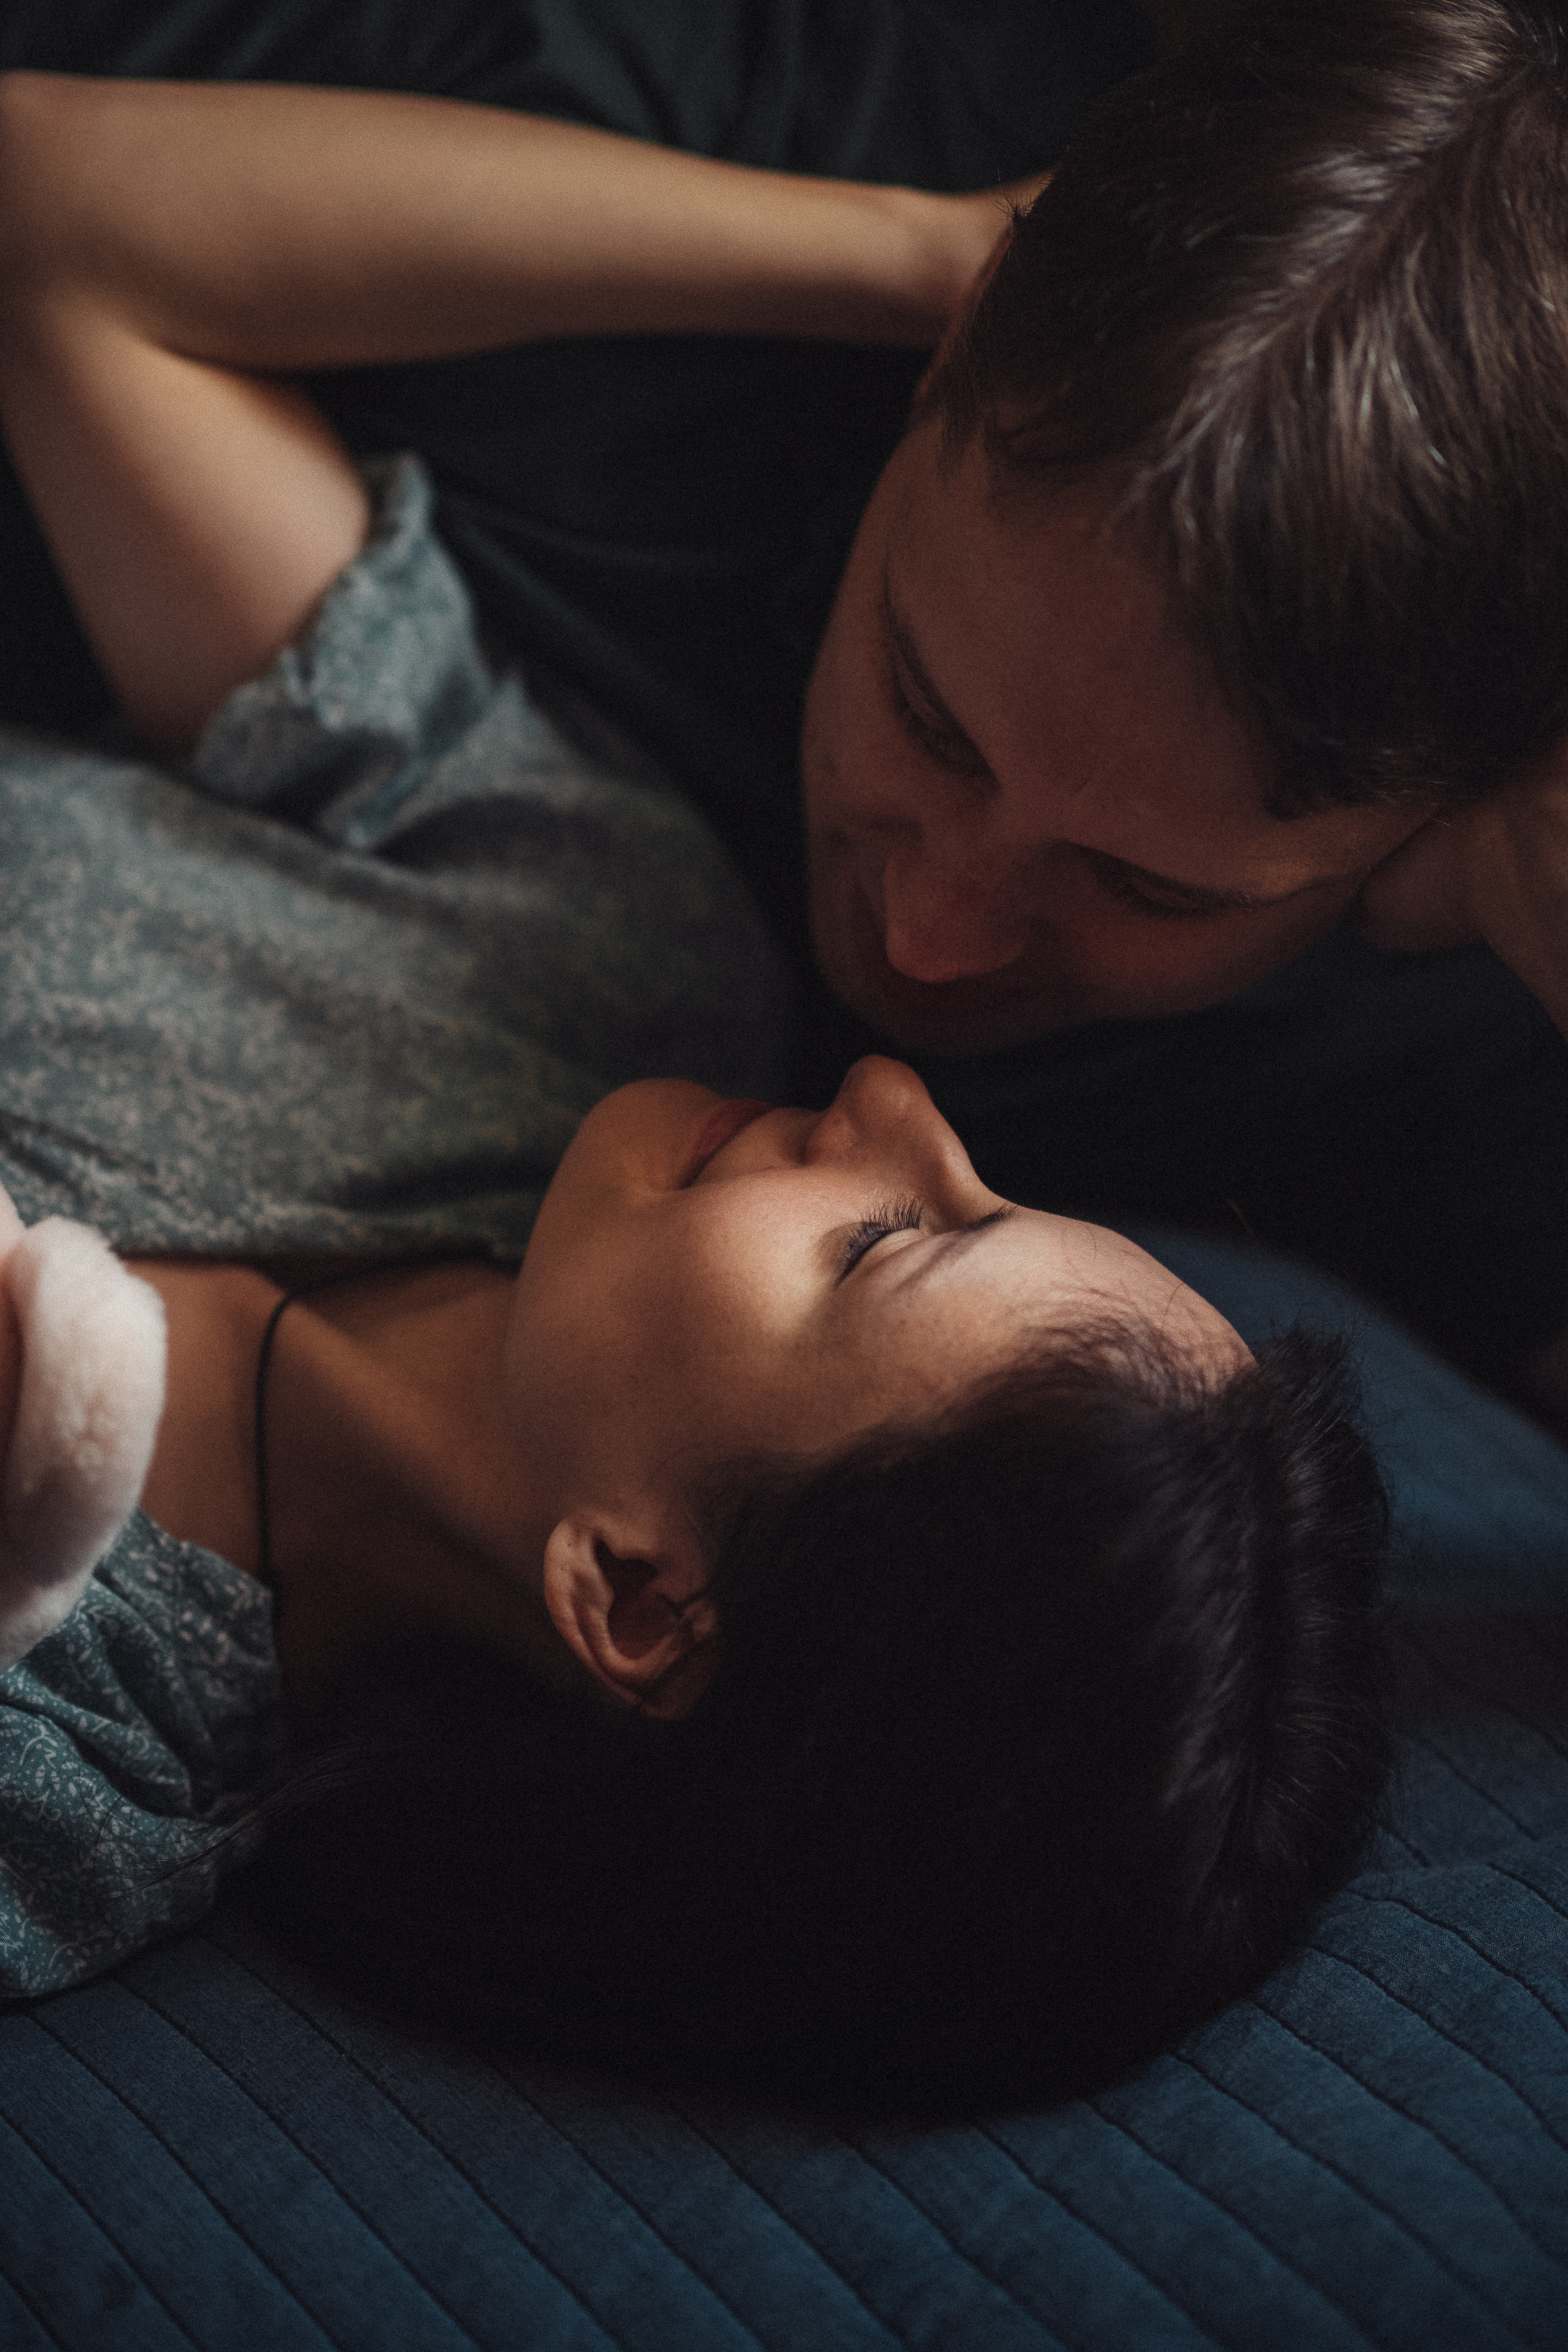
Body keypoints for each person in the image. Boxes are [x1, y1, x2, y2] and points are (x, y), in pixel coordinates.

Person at [0, 68, 1390, 2114]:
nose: (892, 1084)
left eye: (893, 1240)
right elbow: (59, 244)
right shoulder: (604, 958)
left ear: (638, 1594)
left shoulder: (71, 1775)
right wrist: (942, 269)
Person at [0, 0, 1563, 1422]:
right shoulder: (593, 160)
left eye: (1146, 887)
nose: (929, 940)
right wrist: (911, 258)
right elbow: (44, 193)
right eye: (926, 714)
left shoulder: (1469, 1010)